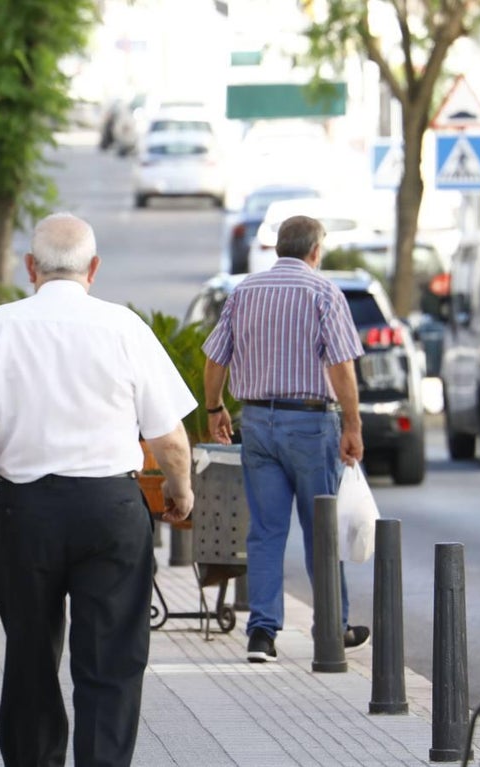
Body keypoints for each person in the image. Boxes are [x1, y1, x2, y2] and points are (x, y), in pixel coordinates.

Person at [0, 212, 196, 767]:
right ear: (94, 269)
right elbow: (170, 438)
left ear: (30, 267)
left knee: (30, 658)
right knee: (110, 662)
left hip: (23, 511)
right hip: (110, 508)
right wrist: (179, 492)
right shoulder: (125, 327)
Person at [201, 214, 370, 664]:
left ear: (278, 248)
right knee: (322, 531)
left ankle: (262, 634)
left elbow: (216, 358)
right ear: (315, 251)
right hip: (312, 425)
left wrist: (216, 409)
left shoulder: (245, 292)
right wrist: (352, 425)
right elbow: (341, 367)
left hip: (257, 423)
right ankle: (332, 628)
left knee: (266, 530)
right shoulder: (324, 293)